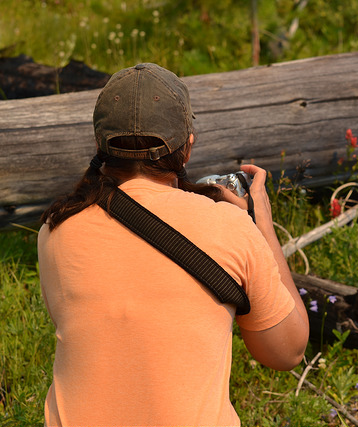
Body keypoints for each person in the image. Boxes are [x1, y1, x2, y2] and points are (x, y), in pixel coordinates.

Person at [37, 63, 309, 426]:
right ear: (187, 149)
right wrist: (261, 227)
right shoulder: (229, 227)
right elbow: (286, 351)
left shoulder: (56, 229)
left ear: (100, 147)